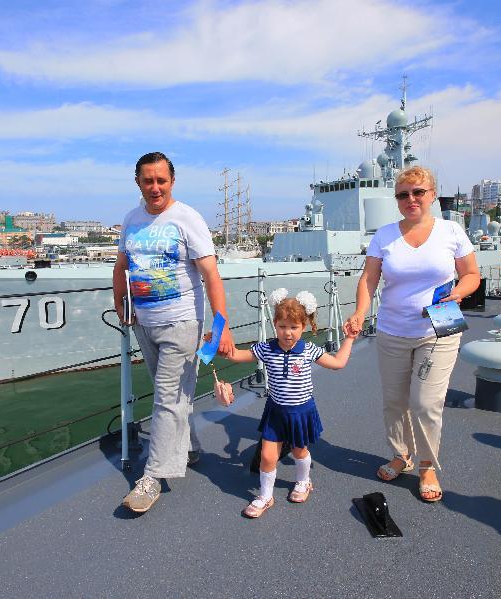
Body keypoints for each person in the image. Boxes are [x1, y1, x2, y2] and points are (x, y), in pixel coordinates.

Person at [344, 165, 479, 502]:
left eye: (418, 192)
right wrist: (360, 311)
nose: (411, 199)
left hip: (439, 328)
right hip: (393, 330)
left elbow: (472, 274)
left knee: (425, 402)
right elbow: (369, 279)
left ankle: (426, 464)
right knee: (395, 402)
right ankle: (401, 454)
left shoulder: (451, 231)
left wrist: (459, 292)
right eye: (403, 194)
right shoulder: (384, 235)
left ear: (431, 195)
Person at [114, 151, 234, 514]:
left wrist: (221, 325)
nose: (155, 187)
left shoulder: (187, 218)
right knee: (173, 395)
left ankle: (152, 477)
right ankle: (190, 447)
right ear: (138, 182)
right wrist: (121, 303)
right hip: (145, 324)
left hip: (183, 322)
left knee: (166, 397)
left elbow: (211, 275)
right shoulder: (131, 220)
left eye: (161, 180)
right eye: (148, 180)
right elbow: (122, 266)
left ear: (172, 181)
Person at [223, 289, 358, 518]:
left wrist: (350, 338)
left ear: (303, 327)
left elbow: (337, 363)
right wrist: (219, 346)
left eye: (294, 327)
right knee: (267, 456)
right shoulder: (266, 349)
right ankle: (265, 496)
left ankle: (303, 481)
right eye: (283, 326)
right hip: (276, 412)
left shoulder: (309, 350)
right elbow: (237, 355)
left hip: (300, 412)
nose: (288, 333)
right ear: (275, 324)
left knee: (299, 451)